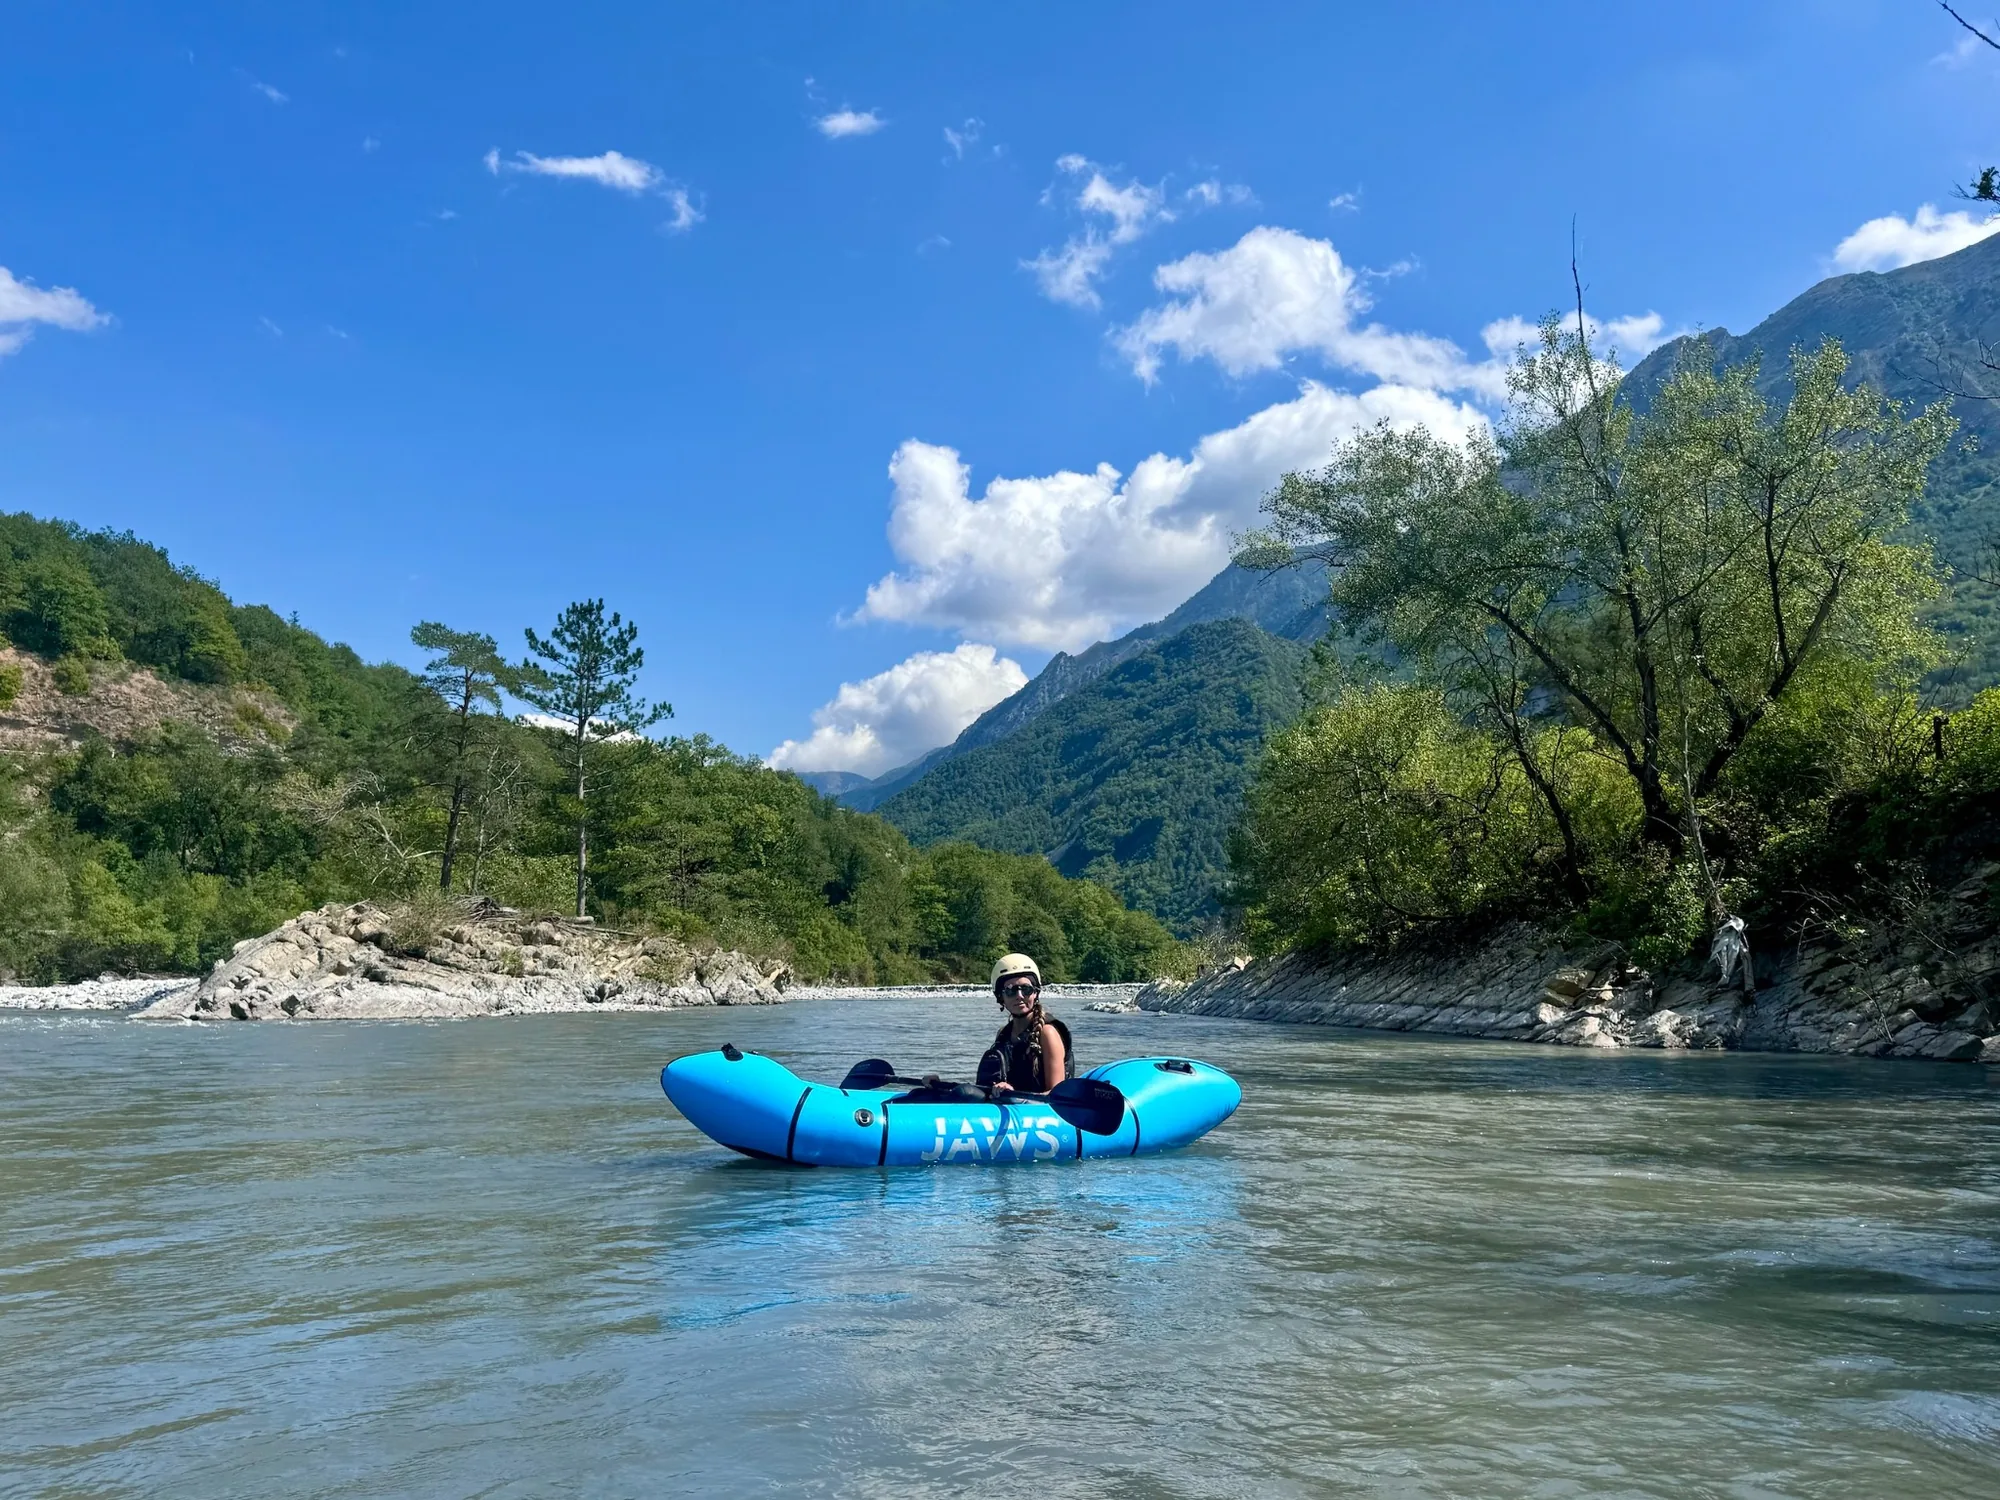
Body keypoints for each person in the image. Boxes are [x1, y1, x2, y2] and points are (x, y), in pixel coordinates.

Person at [978, 953, 1074, 1096]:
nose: (1019, 996)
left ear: (1035, 993)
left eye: (1026, 989)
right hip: (1011, 1103)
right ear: (1001, 996)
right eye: (1010, 990)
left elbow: (1056, 1094)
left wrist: (1014, 1095)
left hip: (1039, 1106)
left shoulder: (1048, 1033)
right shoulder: (1003, 1034)